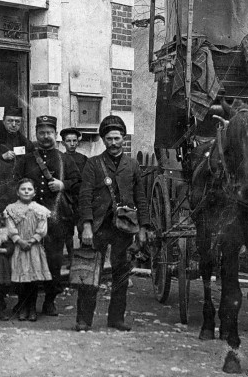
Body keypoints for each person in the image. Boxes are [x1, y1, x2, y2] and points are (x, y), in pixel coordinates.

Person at [75, 115, 150, 332]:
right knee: (89, 274)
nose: (114, 143)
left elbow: (141, 197)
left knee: (121, 275)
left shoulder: (132, 165)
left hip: (123, 228)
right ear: (103, 140)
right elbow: (85, 197)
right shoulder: (93, 164)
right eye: (109, 139)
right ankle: (84, 319)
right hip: (97, 227)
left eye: (117, 138)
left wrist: (143, 227)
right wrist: (87, 226)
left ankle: (116, 318)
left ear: (123, 139)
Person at [14, 115, 81, 317]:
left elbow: (78, 183)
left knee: (53, 262)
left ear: (55, 135)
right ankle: (28, 303)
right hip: (29, 221)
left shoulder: (65, 159)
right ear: (36, 134)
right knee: (29, 262)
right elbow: (14, 182)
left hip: (56, 220)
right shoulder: (26, 159)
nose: (45, 137)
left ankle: (50, 301)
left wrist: (64, 185)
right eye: (41, 133)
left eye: (49, 133)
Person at [5, 179, 52, 322]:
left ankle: (32, 308)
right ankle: (22, 307)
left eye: (29, 189)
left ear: (34, 193)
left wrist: (32, 241)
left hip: (34, 248)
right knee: (21, 279)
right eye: (23, 189)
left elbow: (42, 228)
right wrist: (19, 240)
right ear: (17, 192)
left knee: (33, 280)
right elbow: (10, 227)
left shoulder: (40, 209)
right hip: (19, 247)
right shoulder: (11, 209)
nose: (26, 192)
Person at [60, 127, 87, 266]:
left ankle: (83, 259)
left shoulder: (83, 159)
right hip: (66, 199)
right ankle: (71, 259)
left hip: (81, 199)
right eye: (68, 141)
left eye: (74, 141)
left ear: (78, 142)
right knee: (67, 232)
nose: (71, 144)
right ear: (63, 143)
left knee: (83, 229)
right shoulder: (60, 158)